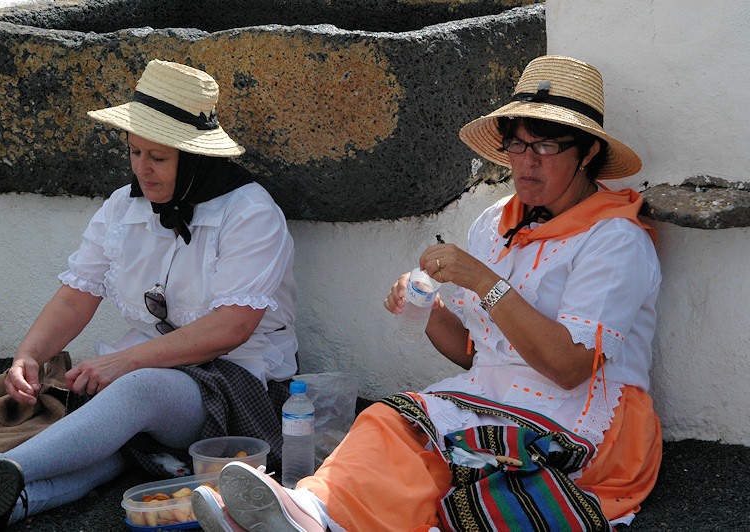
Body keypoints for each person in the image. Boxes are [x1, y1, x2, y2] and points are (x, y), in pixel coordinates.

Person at [190, 55, 662, 531]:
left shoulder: (614, 238)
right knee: (388, 420)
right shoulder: (495, 223)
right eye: (517, 144)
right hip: (492, 395)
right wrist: (430, 311)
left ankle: (310, 519)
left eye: (546, 146)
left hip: (582, 416)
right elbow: (479, 354)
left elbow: (570, 367)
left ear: (587, 153)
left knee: (452, 461)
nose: (527, 160)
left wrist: (485, 282)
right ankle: (310, 507)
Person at [0, 59, 298, 530]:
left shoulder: (250, 213)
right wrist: (27, 356)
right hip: (152, 373)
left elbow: (231, 328)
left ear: (194, 157)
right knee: (113, 443)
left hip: (238, 382)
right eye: (134, 152)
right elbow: (75, 297)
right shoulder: (122, 206)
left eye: (158, 157)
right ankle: (7, 502)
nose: (142, 169)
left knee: (136, 390)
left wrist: (125, 362)